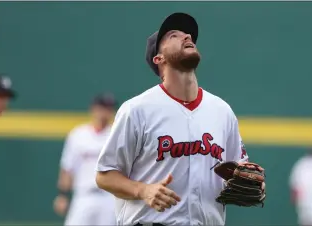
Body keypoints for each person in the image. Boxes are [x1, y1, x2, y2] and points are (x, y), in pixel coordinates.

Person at [95, 12, 256, 225]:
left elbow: (239, 171)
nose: (187, 36)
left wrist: (250, 180)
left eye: (188, 34)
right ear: (158, 58)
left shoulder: (222, 111)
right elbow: (104, 175)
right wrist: (142, 190)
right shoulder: (137, 109)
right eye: (174, 35)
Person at [53, 93, 118, 226]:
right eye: (102, 107)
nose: (105, 112)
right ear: (93, 108)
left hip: (109, 198)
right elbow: (67, 168)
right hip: (84, 195)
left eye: (108, 108)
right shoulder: (78, 134)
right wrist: (62, 195)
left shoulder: (116, 134)